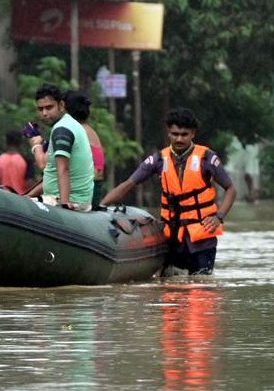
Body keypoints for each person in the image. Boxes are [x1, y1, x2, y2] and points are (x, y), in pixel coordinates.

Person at [101, 108, 236, 275]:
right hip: (172, 239)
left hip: (202, 240)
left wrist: (218, 217)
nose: (179, 139)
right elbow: (129, 184)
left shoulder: (207, 157)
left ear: (193, 134)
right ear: (168, 133)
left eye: (184, 134)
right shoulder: (158, 159)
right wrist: (101, 206)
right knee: (169, 288)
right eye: (175, 134)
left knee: (201, 286)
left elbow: (231, 188)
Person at [25, 85, 94, 210]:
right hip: (68, 198)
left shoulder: (62, 129)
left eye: (49, 107)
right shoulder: (68, 124)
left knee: (13, 206)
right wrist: (27, 195)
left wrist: (65, 204)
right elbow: (53, 174)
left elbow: (63, 169)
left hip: (69, 201)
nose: (44, 113)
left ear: (61, 105)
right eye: (40, 109)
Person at [64, 92, 105, 208]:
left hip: (85, 192)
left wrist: (36, 146)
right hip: (94, 190)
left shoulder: (75, 131)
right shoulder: (90, 131)